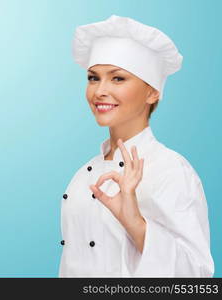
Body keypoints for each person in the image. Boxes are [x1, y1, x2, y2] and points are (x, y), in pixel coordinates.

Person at [58, 15, 214, 277]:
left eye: (118, 79)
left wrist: (135, 224)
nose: (99, 91)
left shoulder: (169, 169)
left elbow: (196, 276)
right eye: (93, 78)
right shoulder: (82, 176)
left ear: (152, 92)